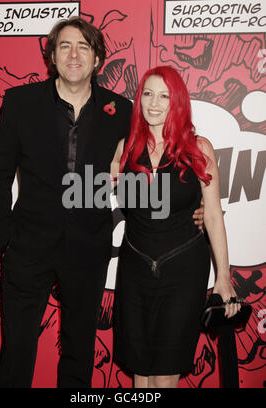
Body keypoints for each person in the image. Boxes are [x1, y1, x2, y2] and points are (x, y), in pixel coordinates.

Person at [0, 17, 203, 388]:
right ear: (51, 56)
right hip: (27, 246)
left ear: (97, 59)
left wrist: (194, 206)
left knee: (79, 351)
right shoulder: (21, 103)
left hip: (89, 247)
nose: (74, 55)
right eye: (65, 46)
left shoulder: (121, 111)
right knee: (16, 352)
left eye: (84, 47)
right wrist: (1, 234)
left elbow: (163, 152)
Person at [111, 66, 241, 388]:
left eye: (164, 96)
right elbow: (87, 194)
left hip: (183, 270)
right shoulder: (123, 148)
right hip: (135, 268)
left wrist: (223, 278)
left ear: (178, 102)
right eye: (148, 94)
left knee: (167, 371)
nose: (154, 103)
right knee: (139, 370)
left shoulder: (200, 149)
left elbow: (212, 215)